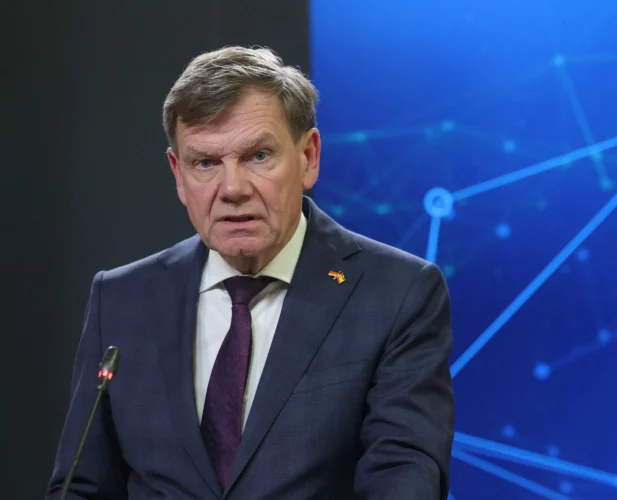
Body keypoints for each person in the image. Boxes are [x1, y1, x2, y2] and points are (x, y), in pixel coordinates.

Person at [46, 46, 455, 499]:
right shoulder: (122, 299)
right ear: (178, 174)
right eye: (205, 163)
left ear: (308, 156)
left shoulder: (397, 294)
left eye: (258, 156)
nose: (232, 189)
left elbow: (403, 479)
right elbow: (80, 486)